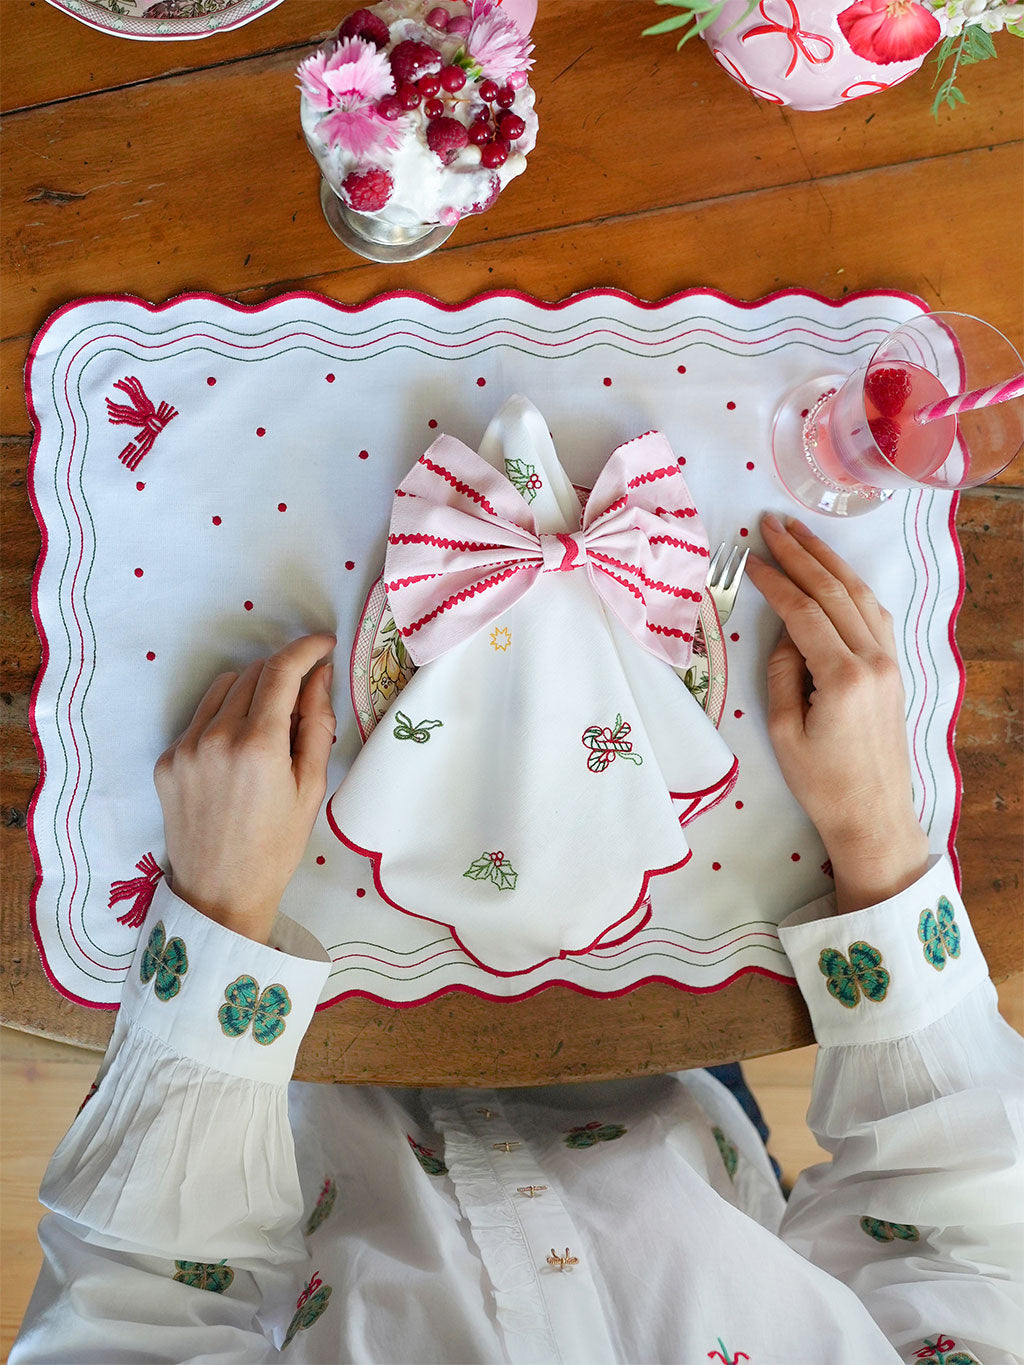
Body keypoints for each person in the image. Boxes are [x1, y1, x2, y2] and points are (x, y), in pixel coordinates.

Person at [11, 515, 1022, 1364]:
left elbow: (131, 1314)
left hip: (290, 1081)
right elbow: (971, 1239)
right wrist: (876, 835)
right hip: (667, 1082)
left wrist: (223, 919)